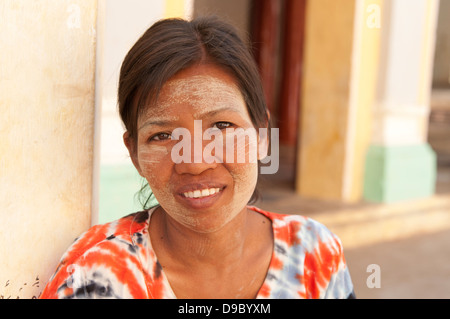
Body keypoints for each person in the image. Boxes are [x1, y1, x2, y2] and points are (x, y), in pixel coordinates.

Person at [40, 16, 355, 299]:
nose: (194, 161)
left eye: (221, 126)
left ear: (261, 136)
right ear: (134, 153)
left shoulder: (313, 254)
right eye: (162, 136)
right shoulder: (96, 275)